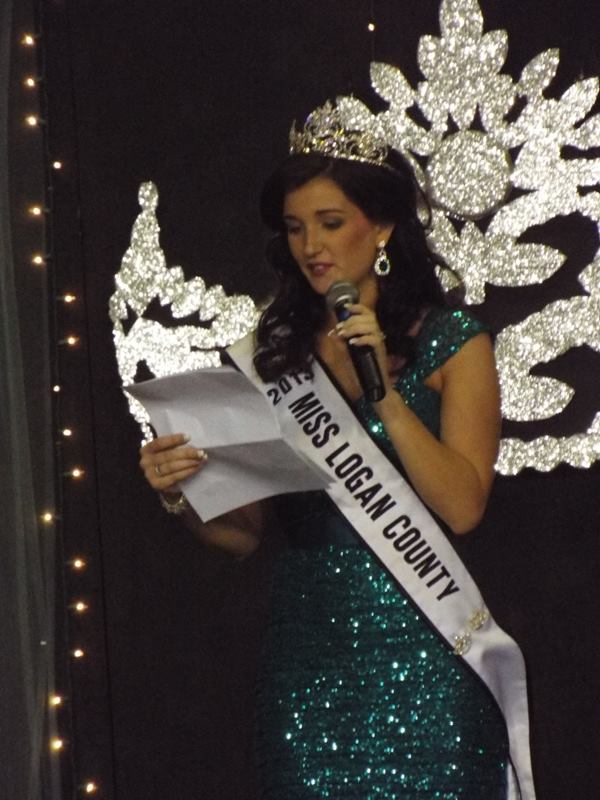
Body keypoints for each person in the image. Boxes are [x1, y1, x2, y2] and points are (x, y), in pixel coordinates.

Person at [139, 102, 526, 799]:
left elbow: (463, 508)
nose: (310, 245)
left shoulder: (454, 344)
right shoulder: (272, 358)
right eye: (295, 228)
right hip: (308, 661)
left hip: (429, 650)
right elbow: (243, 536)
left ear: (382, 227)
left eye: (330, 222)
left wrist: (386, 396)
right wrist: (181, 492)